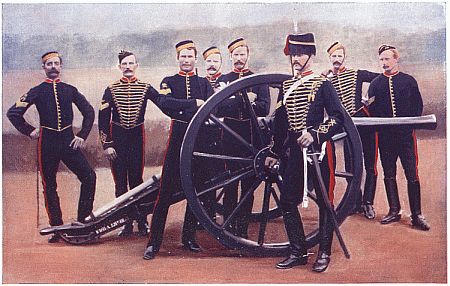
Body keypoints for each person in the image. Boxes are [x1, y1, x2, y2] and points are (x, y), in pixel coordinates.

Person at [265, 33, 343, 272]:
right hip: (296, 155)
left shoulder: (322, 84)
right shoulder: (287, 86)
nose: (295, 59)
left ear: (310, 55)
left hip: (319, 152)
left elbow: (339, 118)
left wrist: (316, 134)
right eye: (293, 55)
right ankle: (298, 251)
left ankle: (324, 253)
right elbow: (281, 124)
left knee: (325, 203)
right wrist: (275, 152)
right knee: (288, 201)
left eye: (299, 54)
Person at [98, 50, 198, 237]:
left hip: (136, 137)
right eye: (124, 64)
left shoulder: (145, 88)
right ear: (119, 67)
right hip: (117, 138)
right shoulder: (110, 90)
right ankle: (125, 223)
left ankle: (141, 221)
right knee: (120, 183)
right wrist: (107, 144)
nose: (128, 67)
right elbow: (103, 119)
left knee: (136, 180)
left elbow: (163, 102)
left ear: (137, 66)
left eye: (131, 64)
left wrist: (190, 104)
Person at [7, 51, 96, 243]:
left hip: (68, 141)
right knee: (49, 185)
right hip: (46, 143)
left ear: (61, 66)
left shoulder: (70, 89)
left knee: (89, 176)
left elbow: (89, 112)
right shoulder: (37, 91)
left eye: (56, 63)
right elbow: (13, 112)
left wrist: (81, 135)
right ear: (44, 68)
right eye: (49, 64)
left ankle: (83, 220)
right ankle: (56, 226)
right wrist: (29, 130)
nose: (53, 67)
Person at [143, 40, 213, 260]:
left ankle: (189, 238)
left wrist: (192, 104)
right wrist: (194, 104)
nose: (186, 60)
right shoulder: (169, 81)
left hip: (199, 140)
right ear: (177, 59)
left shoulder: (204, 82)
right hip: (178, 137)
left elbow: (212, 105)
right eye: (182, 56)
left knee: (195, 190)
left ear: (195, 59)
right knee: (165, 192)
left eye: (190, 56)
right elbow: (165, 103)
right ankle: (154, 243)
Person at [368, 44, 430, 231]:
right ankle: (394, 210)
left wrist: (407, 125)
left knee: (412, 174)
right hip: (385, 138)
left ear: (396, 59)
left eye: (388, 59)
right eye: (382, 59)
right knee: (389, 174)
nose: (384, 63)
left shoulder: (409, 81)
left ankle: (417, 214)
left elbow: (417, 106)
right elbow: (371, 110)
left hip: (405, 137)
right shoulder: (375, 84)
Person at [217, 38, 270, 238]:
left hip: (252, 137)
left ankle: (242, 229)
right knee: (230, 185)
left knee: (248, 188)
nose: (239, 59)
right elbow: (219, 106)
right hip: (229, 136)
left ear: (248, 55)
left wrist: (233, 100)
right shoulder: (223, 79)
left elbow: (264, 107)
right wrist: (246, 100)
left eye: (242, 54)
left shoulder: (258, 80)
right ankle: (229, 228)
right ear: (230, 57)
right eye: (235, 55)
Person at [323, 42, 379, 219]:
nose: (337, 59)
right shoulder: (327, 80)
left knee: (370, 164)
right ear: (330, 59)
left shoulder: (357, 74)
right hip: (346, 128)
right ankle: (356, 201)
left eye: (340, 56)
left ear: (344, 57)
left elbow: (381, 80)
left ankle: (368, 203)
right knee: (351, 166)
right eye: (334, 56)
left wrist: (369, 100)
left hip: (364, 122)